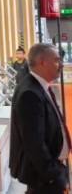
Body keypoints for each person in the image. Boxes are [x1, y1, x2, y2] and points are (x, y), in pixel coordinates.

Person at [10, 43, 70, 194]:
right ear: (42, 62)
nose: (61, 64)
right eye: (56, 60)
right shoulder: (29, 93)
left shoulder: (38, 86)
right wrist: (53, 175)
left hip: (49, 169)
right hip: (43, 177)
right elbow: (33, 142)